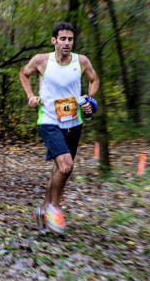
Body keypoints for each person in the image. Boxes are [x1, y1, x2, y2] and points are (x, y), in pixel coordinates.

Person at [19, 22, 99, 234]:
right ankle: (55, 208)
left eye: (70, 39)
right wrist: (31, 97)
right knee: (66, 166)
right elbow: (23, 74)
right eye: (62, 39)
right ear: (54, 40)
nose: (67, 43)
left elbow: (94, 80)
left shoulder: (80, 61)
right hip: (49, 120)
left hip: (74, 121)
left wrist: (89, 100)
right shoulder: (42, 60)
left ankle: (43, 210)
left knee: (59, 170)